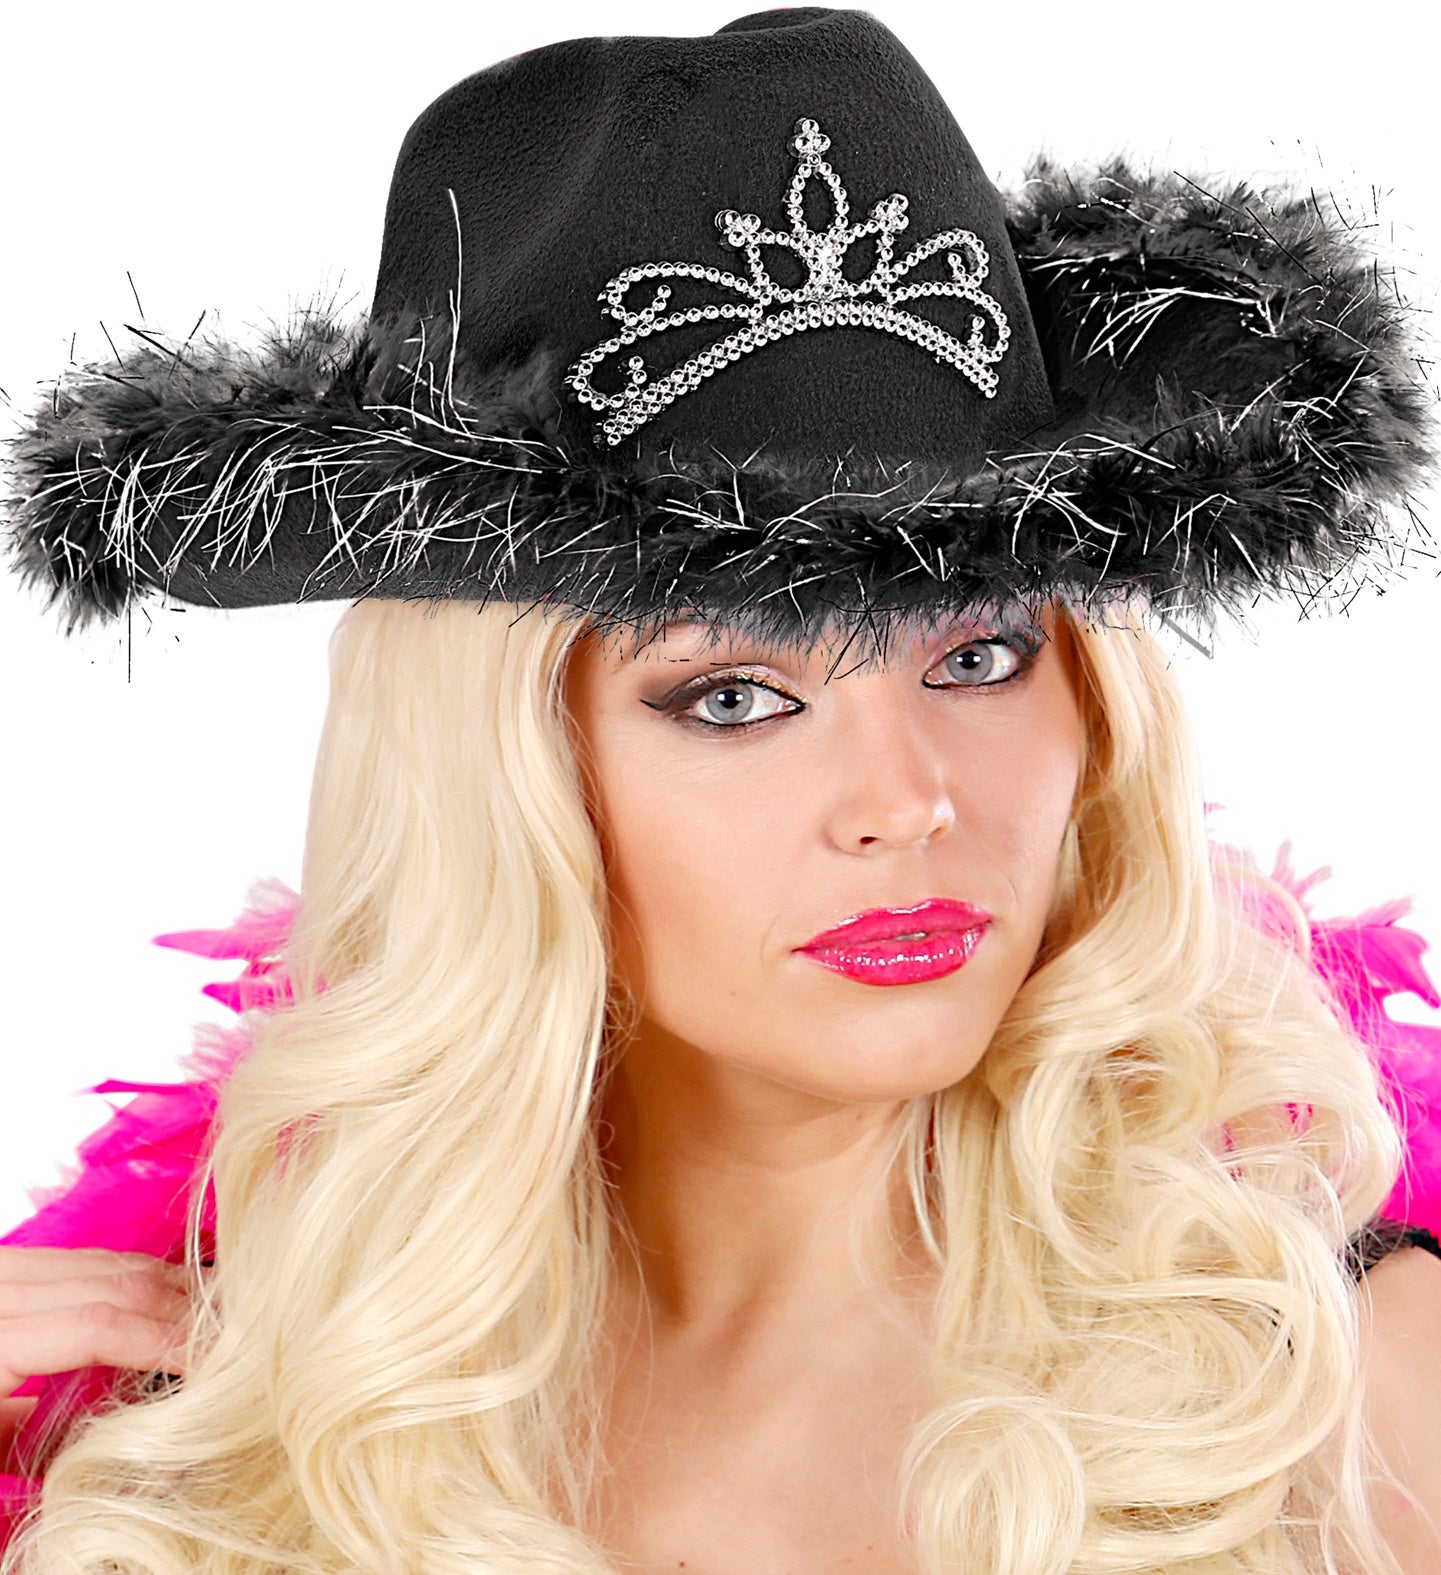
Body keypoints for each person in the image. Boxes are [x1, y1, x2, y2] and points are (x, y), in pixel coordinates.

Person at [2, 8, 1440, 1572]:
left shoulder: (1333, 1388)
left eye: (976, 658)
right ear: (508, 775)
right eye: (736, 696)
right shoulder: (237, 1426)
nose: (903, 800)